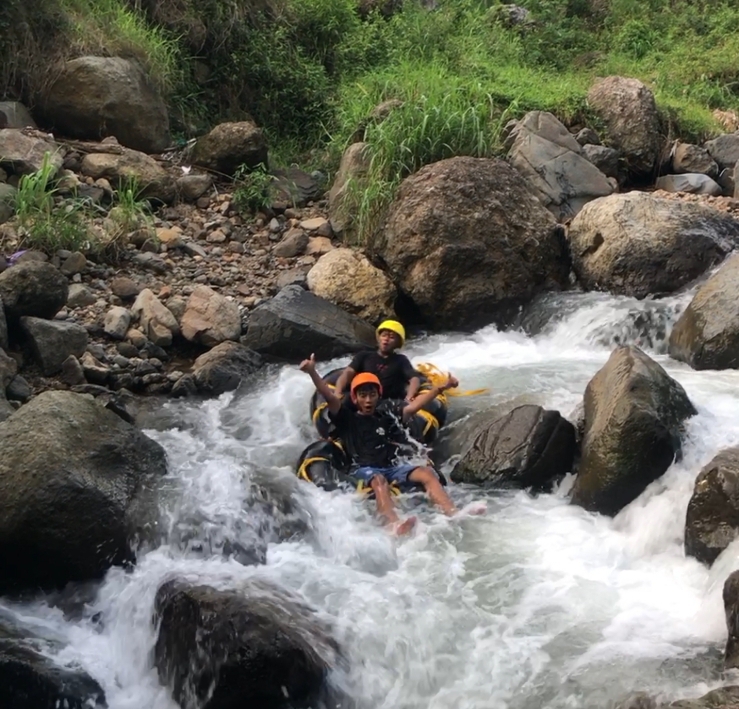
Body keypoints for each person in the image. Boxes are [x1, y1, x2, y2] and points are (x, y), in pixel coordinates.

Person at [300, 353, 460, 535]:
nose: (368, 400)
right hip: (362, 468)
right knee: (379, 481)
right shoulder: (346, 417)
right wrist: (312, 372)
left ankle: (452, 512)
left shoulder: (386, 415)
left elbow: (414, 407)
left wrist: (442, 387)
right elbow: (329, 396)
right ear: (355, 398)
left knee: (426, 473)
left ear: (378, 396)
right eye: (363, 396)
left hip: (390, 467)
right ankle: (393, 523)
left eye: (372, 395)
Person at [334, 320, 421, 403]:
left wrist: (409, 397)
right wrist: (338, 392)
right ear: (378, 338)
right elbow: (348, 372)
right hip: (363, 400)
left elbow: (414, 379)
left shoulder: (401, 360)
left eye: (391, 337)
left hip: (386, 402)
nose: (386, 339)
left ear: (398, 343)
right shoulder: (363, 356)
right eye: (384, 335)